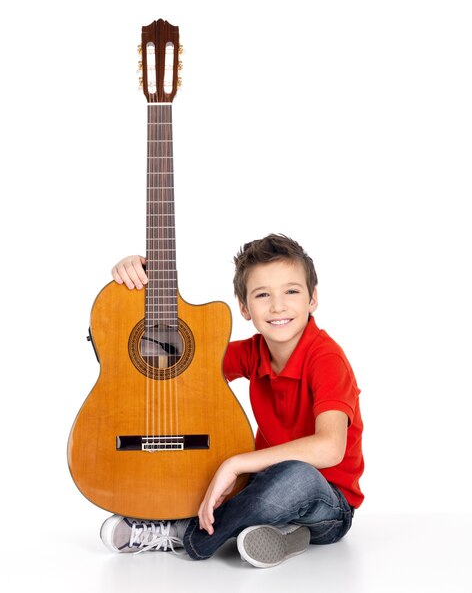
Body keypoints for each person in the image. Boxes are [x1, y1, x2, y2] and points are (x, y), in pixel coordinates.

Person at [100, 234, 364, 568]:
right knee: (233, 467)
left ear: (312, 299)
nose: (278, 306)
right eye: (262, 295)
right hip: (265, 485)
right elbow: (174, 365)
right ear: (244, 307)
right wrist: (141, 282)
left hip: (329, 503)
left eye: (291, 291)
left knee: (296, 476)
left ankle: (187, 534)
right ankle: (282, 534)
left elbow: (330, 448)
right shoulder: (253, 352)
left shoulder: (326, 359)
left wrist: (236, 463)